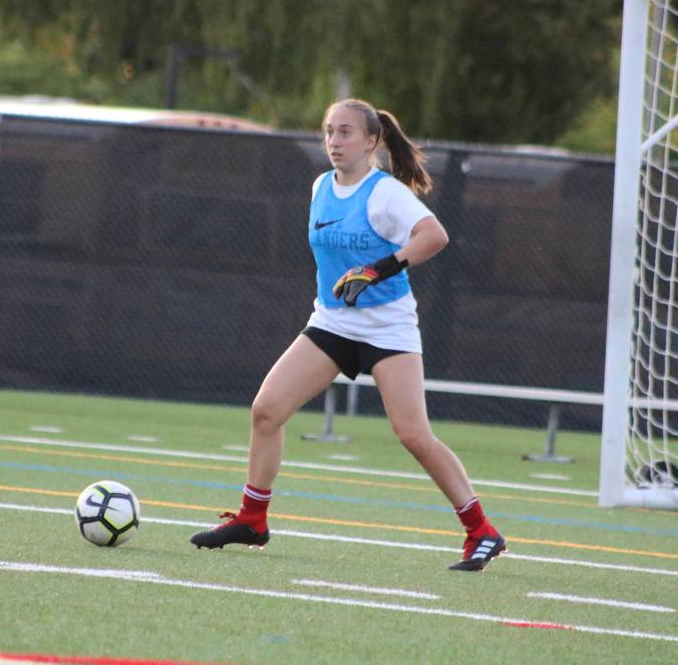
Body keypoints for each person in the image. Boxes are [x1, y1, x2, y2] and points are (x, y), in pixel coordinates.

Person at [190, 98, 505, 571]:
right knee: (266, 411)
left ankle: (482, 531)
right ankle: (253, 520)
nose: (334, 142)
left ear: (372, 141)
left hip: (388, 330)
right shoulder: (320, 186)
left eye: (345, 133)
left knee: (413, 434)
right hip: (332, 323)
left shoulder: (386, 194)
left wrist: (379, 268)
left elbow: (434, 235)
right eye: (329, 132)